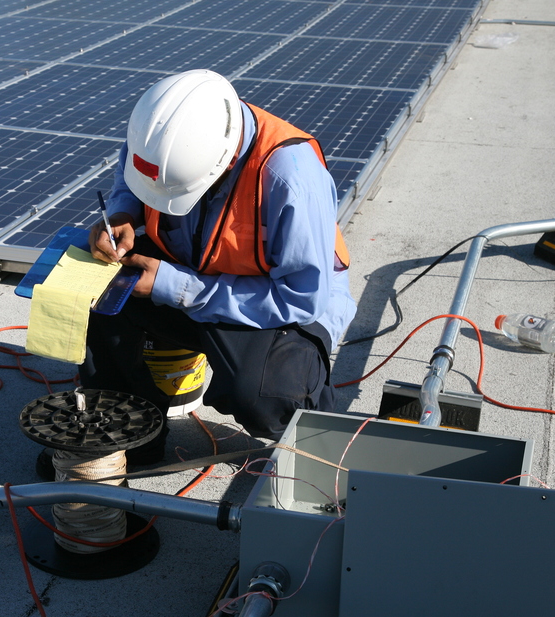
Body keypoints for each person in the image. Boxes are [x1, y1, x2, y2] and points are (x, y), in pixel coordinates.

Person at [82, 69, 356, 464]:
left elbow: (301, 298)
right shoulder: (158, 135)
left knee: (265, 395)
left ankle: (318, 433)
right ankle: (132, 440)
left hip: (279, 307)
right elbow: (134, 180)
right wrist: (124, 212)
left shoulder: (290, 178)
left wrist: (173, 286)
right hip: (191, 272)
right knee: (98, 294)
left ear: (221, 165)